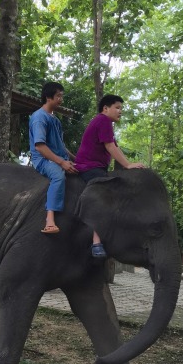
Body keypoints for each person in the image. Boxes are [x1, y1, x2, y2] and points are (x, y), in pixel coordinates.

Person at [75, 94, 147, 258]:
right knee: (105, 198)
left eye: (121, 108)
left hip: (96, 167)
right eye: (117, 107)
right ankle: (96, 242)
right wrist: (128, 165)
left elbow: (114, 146)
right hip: (90, 167)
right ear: (105, 108)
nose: (120, 111)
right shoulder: (103, 121)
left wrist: (128, 163)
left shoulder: (105, 123)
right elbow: (109, 146)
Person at [29, 81, 77, 234]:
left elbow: (61, 146)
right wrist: (62, 162)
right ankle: (50, 220)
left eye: (62, 96)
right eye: (58, 96)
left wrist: (75, 159)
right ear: (48, 97)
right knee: (58, 176)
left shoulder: (54, 119)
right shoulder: (39, 118)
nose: (61, 99)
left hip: (59, 157)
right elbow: (40, 146)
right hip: (43, 159)